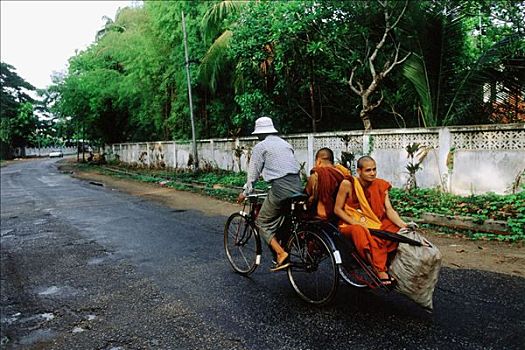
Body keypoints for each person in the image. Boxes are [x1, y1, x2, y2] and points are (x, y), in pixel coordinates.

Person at [237, 116, 303, 271]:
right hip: (297, 184)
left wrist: (246, 192)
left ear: (259, 133)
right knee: (285, 219)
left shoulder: (261, 147)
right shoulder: (285, 144)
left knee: (262, 222)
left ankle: (281, 253)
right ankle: (284, 247)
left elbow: (253, 174)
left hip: (280, 187)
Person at [334, 155, 408, 285]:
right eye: (368, 170)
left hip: (374, 222)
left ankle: (392, 264)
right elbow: (337, 209)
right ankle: (378, 269)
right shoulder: (348, 184)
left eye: (374, 169)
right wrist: (355, 223)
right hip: (350, 224)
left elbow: (389, 210)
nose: (372, 173)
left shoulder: (380, 185)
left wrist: (402, 224)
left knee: (395, 230)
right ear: (359, 171)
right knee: (359, 231)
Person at [305, 147, 351, 221]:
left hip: (321, 215)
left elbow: (307, 193)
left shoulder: (316, 175)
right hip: (340, 214)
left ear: (319, 161)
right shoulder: (341, 173)